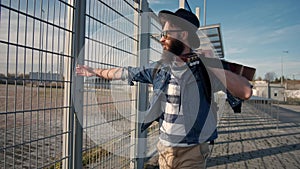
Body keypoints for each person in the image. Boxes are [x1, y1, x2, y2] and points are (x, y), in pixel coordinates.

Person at [76, 8, 252, 169]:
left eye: (166, 34)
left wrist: (211, 64)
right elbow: (125, 72)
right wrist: (94, 71)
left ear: (183, 34)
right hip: (165, 149)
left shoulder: (205, 68)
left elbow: (245, 91)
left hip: (192, 150)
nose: (161, 39)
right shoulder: (159, 69)